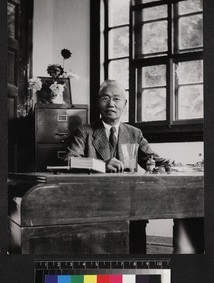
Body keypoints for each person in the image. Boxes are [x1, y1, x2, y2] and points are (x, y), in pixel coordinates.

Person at [65, 79, 204, 254]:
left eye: (116, 99)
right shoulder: (84, 132)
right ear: (98, 102)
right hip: (97, 204)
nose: (111, 104)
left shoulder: (134, 133)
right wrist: (101, 165)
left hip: (131, 204)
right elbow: (70, 160)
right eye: (105, 98)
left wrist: (167, 162)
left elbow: (150, 158)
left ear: (124, 104)